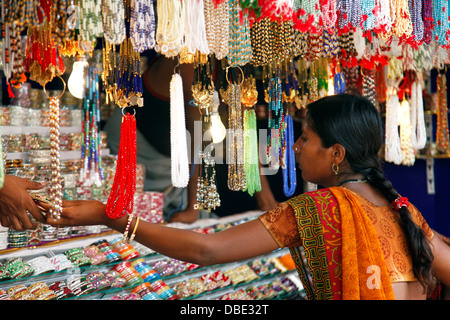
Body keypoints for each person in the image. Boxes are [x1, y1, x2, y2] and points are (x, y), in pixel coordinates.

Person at [42, 94, 450, 300]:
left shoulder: (317, 210)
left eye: (305, 139)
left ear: (336, 154)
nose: (295, 148)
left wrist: (115, 219)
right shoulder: (404, 211)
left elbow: (207, 249)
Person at [103, 53, 281, 223]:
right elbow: (195, 132)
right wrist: (192, 208)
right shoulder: (188, 57)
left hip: (176, 154)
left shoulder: (234, 55)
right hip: (137, 145)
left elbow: (242, 128)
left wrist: (266, 200)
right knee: (138, 216)